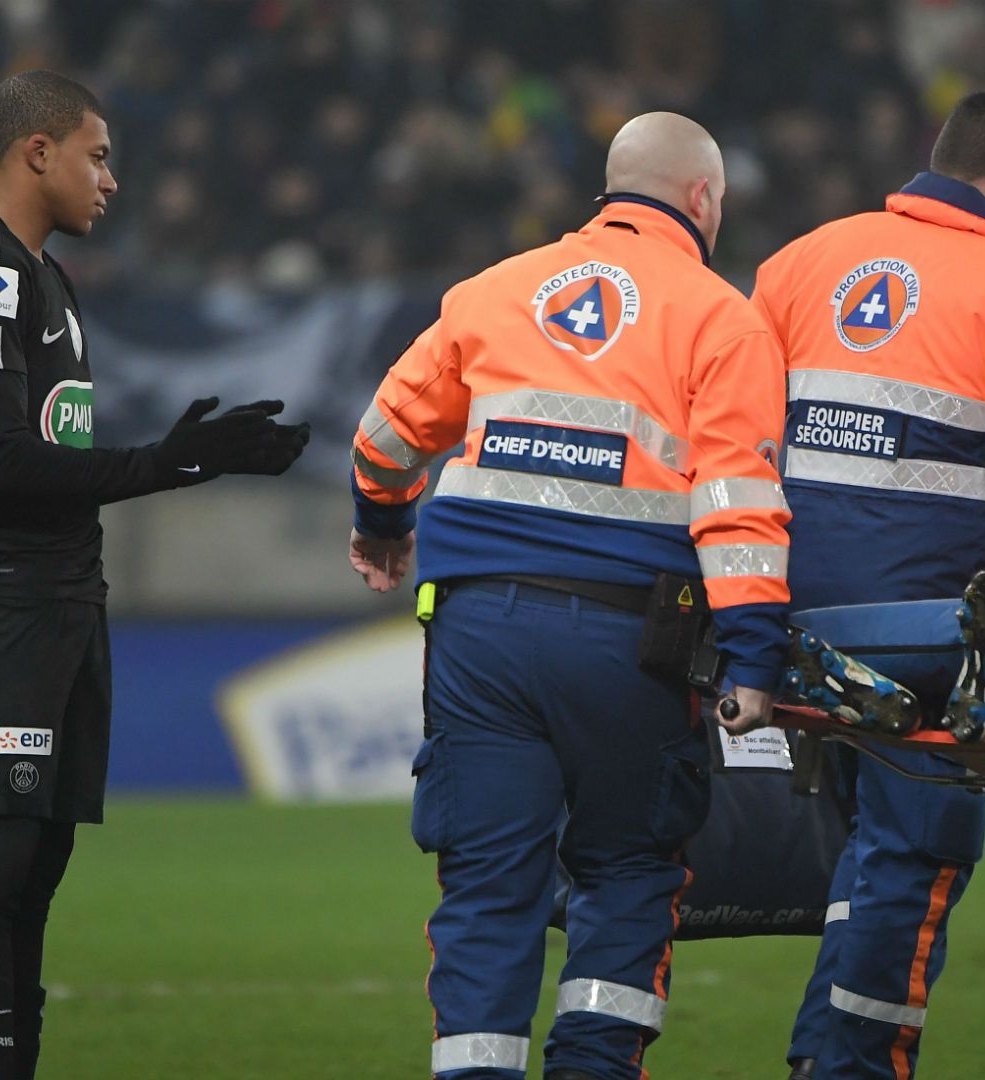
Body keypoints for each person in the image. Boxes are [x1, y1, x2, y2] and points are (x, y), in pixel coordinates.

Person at [346, 112, 791, 1080]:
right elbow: (738, 504)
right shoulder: (723, 318)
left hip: (479, 635)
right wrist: (755, 653)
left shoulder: (492, 290)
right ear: (704, 198)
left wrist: (382, 524)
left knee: (486, 881)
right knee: (628, 868)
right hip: (632, 644)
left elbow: (382, 439)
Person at [0, 71, 309, 1080]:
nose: (111, 179)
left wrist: (186, 460)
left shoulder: (49, 278)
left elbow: (55, 454)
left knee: (41, 857)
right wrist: (174, 463)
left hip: (63, 595)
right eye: (97, 156)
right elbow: (3, 464)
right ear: (36, 152)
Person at [749, 86, 985, 1080]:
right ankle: (850, 1066)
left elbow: (742, 454)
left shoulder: (797, 263)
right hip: (922, 645)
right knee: (923, 848)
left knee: (870, 848)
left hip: (794, 631)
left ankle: (819, 1058)